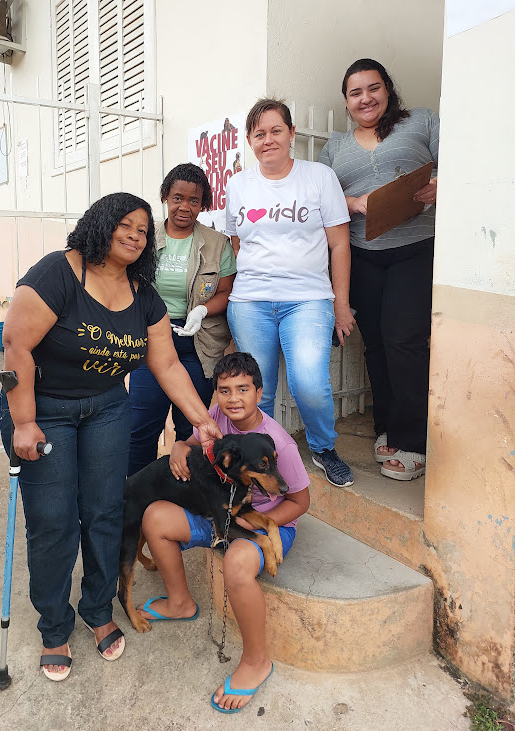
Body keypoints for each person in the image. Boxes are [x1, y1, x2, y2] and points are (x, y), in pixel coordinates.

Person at [0, 192, 222, 681]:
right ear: (100, 224)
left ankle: (98, 609)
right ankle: (54, 625)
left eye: (143, 230)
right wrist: (23, 422)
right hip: (44, 409)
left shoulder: (142, 294)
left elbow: (166, 363)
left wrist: (201, 419)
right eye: (126, 224)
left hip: (106, 408)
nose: (135, 236)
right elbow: (15, 345)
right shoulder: (58, 273)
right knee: (54, 522)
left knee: (105, 512)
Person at [136, 352, 310, 713]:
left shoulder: (279, 443)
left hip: (268, 522)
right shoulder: (215, 416)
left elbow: (300, 501)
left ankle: (256, 661)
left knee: (237, 561)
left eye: (243, 389)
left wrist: (263, 523)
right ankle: (180, 602)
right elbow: (194, 444)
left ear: (259, 392)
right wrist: (180, 446)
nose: (233, 399)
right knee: (154, 517)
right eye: (224, 390)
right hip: (221, 513)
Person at [225, 98, 356, 488]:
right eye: (259, 134)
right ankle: (258, 461)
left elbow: (340, 245)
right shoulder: (239, 184)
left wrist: (341, 305)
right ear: (250, 140)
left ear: (292, 133)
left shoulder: (319, 177)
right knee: (257, 390)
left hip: (308, 299)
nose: (268, 140)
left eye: (276, 131)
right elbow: (237, 242)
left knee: (309, 384)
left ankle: (323, 447)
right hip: (250, 302)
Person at [319, 58, 439, 481]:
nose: (365, 98)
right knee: (376, 345)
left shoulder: (422, 121)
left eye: (373, 88)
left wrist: (439, 185)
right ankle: (387, 426)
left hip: (414, 249)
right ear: (346, 101)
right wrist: (353, 203)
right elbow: (321, 198)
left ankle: (413, 442)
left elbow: (462, 165)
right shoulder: (335, 147)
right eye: (355, 92)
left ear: (387, 88)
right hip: (361, 254)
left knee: (404, 340)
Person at [127, 164, 236, 476]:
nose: (184, 207)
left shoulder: (217, 243)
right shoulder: (144, 237)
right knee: (141, 426)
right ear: (165, 197)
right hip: (151, 340)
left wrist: (202, 310)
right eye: (177, 198)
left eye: (193, 200)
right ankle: (138, 491)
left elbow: (227, 291)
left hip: (198, 345)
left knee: (191, 429)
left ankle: (184, 491)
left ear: (203, 204)